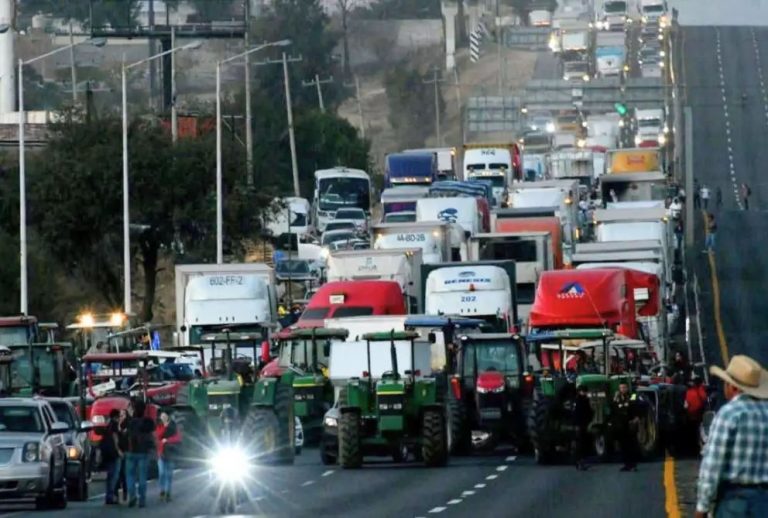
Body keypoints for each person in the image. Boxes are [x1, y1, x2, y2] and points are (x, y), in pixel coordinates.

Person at [695, 355, 768, 518]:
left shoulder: (729, 413)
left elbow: (712, 466)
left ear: (733, 387)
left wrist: (702, 507)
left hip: (734, 502)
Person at [125, 399, 156, 508]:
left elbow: (123, 428)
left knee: (130, 476)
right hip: (144, 452)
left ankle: (132, 495)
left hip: (131, 451)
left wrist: (129, 414)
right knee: (142, 476)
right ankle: (142, 499)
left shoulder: (130, 421)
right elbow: (153, 432)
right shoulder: (148, 421)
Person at [613, 381, 640, 471]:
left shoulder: (632, 396)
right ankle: (626, 464)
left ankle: (633, 465)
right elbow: (615, 408)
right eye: (621, 388)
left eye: (624, 387)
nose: (623, 389)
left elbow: (634, 405)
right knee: (623, 446)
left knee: (631, 446)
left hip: (630, 424)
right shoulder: (618, 397)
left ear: (627, 388)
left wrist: (636, 418)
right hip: (621, 425)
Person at [155, 411, 182, 502]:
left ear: (168, 416)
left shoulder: (173, 426)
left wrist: (167, 440)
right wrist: (164, 429)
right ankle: (162, 490)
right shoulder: (159, 426)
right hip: (161, 452)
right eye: (161, 416)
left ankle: (168, 492)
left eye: (164, 415)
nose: (162, 417)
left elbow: (178, 438)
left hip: (170, 453)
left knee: (169, 474)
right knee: (161, 473)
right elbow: (157, 436)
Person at [101, 409, 122, 505]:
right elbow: (115, 438)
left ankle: (109, 496)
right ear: (116, 417)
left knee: (110, 475)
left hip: (108, 454)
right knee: (114, 475)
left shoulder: (108, 425)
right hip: (114, 454)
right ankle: (111, 495)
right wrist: (119, 451)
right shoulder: (114, 425)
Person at [573, 385, 594, 471]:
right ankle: (580, 462)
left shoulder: (583, 400)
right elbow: (579, 413)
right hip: (581, 424)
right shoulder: (580, 400)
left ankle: (581, 462)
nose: (584, 393)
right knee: (581, 445)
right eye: (583, 391)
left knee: (582, 444)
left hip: (583, 424)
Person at [116, 408, 130, 502]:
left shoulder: (128, 425)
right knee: (117, 474)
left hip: (125, 451)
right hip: (117, 452)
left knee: (124, 473)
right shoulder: (115, 425)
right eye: (120, 415)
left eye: (123, 415)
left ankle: (125, 493)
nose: (121, 417)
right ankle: (116, 494)